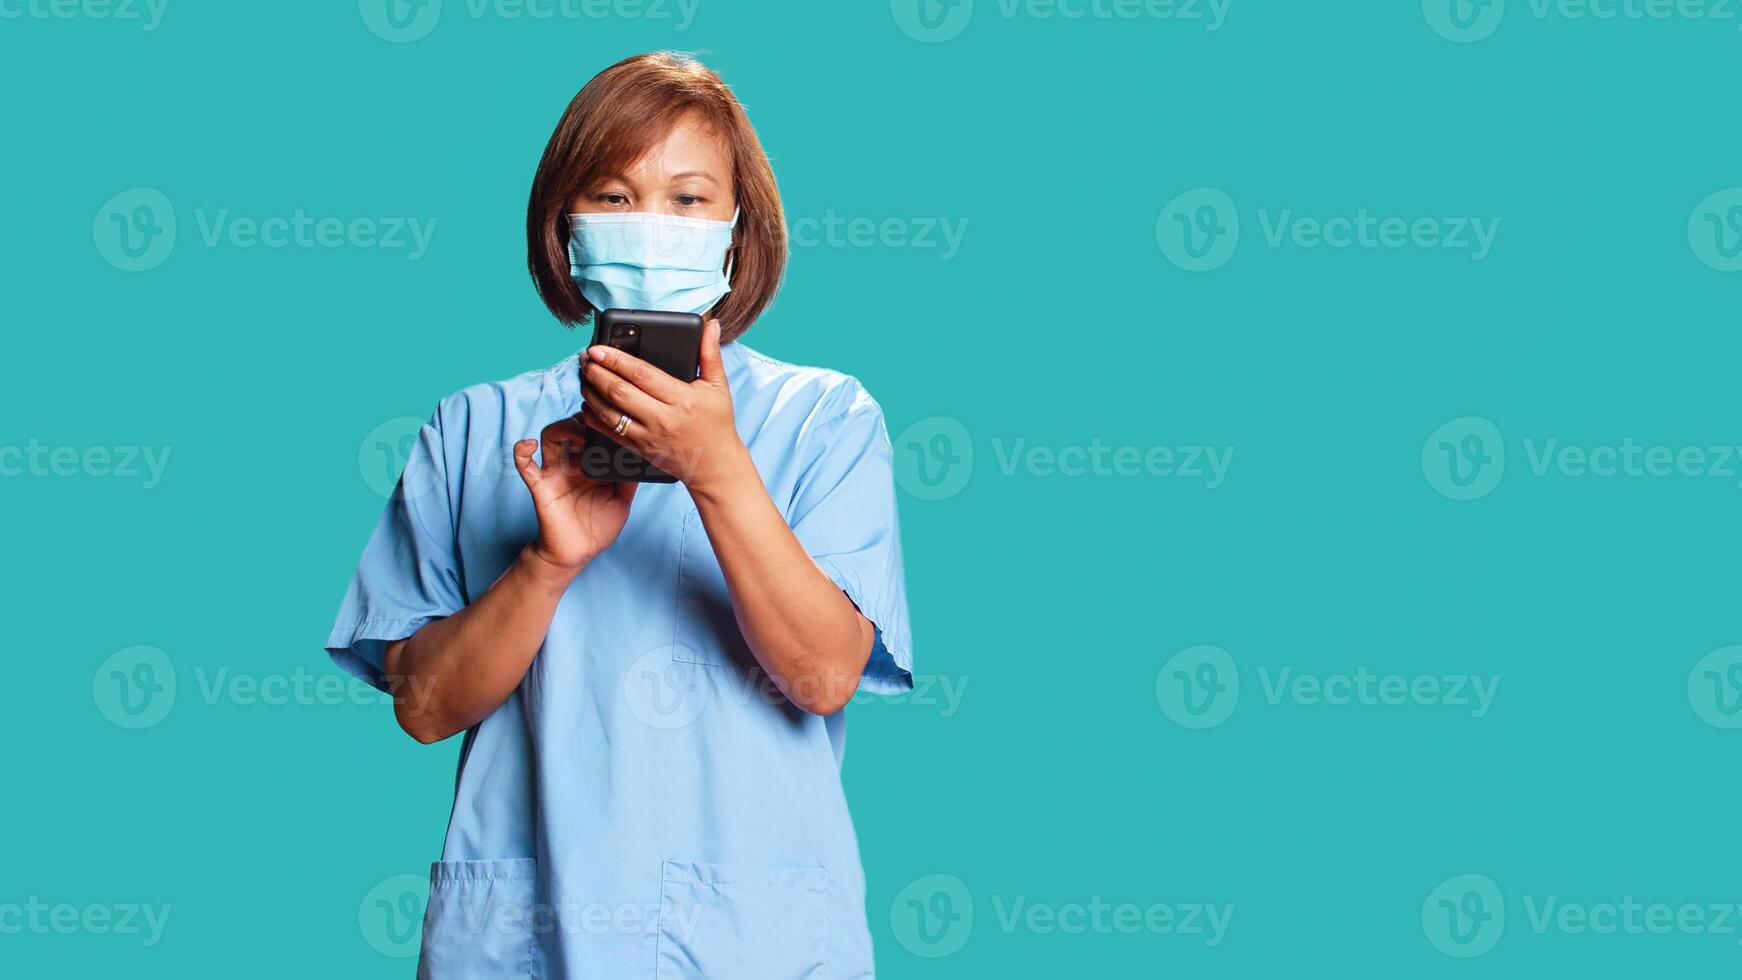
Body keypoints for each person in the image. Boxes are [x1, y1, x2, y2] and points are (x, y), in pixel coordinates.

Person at [325, 51, 912, 979]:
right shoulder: (474, 427)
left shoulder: (824, 420)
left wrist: (718, 470)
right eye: (613, 195)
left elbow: (824, 672)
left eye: (687, 200)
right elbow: (426, 708)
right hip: (527, 936)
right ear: (563, 225)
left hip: (752, 939)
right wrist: (546, 565)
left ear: (735, 231)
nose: (651, 227)